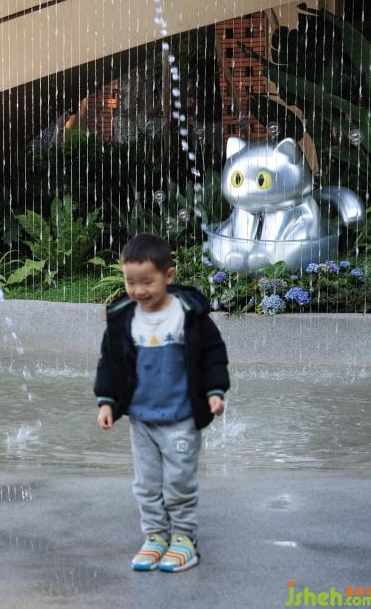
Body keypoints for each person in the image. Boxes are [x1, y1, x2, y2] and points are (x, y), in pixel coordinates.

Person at [94, 233, 230, 573]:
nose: (139, 290)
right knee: (146, 484)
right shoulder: (124, 318)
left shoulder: (188, 315)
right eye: (131, 282)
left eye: (147, 282)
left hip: (181, 418)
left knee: (179, 483)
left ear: (168, 276)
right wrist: (107, 402)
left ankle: (184, 538)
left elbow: (213, 356)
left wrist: (214, 392)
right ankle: (155, 535)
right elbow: (110, 363)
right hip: (142, 420)